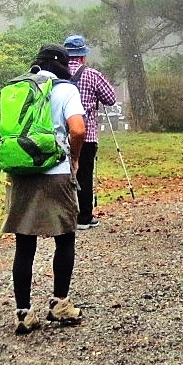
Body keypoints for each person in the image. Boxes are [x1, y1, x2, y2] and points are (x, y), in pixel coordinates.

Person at [0, 45, 87, 335]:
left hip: (21, 173)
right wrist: (75, 158)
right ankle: (60, 304)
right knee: (65, 237)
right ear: (63, 66)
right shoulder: (66, 90)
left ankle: (23, 313)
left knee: (24, 243)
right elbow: (78, 129)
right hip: (56, 172)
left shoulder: (16, 89)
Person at [63, 34, 120, 231]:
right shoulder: (92, 74)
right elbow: (111, 99)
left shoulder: (56, 75)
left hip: (59, 135)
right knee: (84, 175)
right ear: (83, 56)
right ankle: (84, 217)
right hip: (86, 134)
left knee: (59, 175)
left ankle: (62, 216)